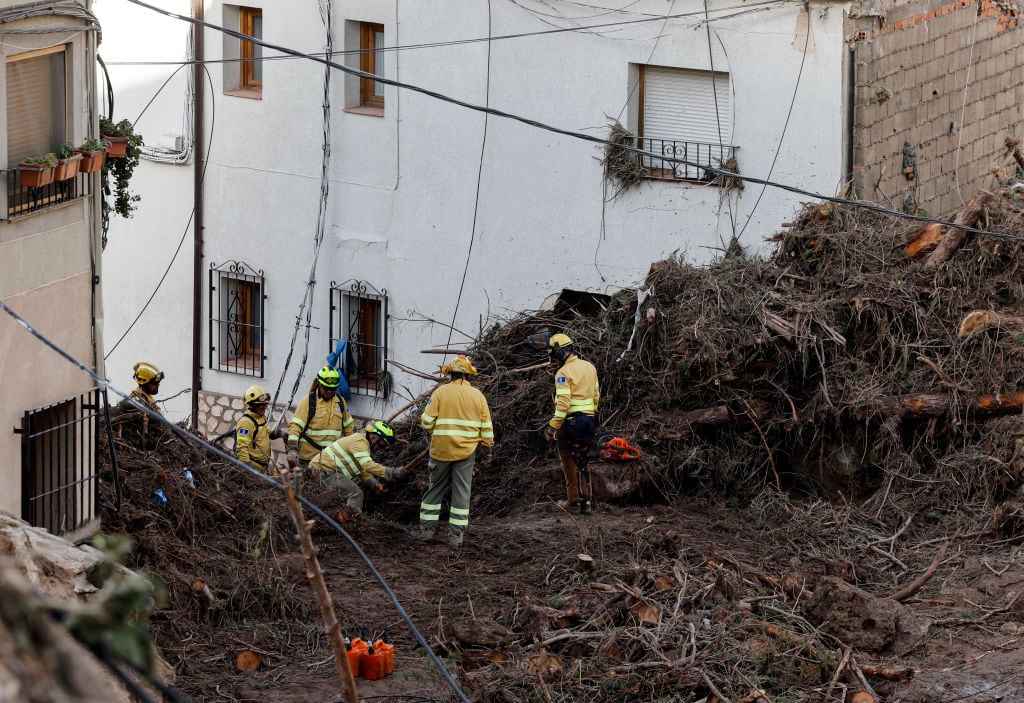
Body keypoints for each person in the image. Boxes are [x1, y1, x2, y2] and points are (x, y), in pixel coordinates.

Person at [418, 355, 494, 547]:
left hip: (441, 449)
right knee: (461, 492)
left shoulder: (440, 392)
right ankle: (456, 538)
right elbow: (486, 428)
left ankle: (427, 532)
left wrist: (432, 432)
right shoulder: (478, 396)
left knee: (435, 489)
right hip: (466, 452)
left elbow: (426, 421)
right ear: (468, 376)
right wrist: (487, 447)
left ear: (449, 374)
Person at [544, 333, 600, 514]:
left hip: (571, 422)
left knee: (569, 461)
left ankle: (574, 502)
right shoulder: (589, 367)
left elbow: (563, 403)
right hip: (589, 420)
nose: (553, 359)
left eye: (554, 354)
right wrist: (590, 414)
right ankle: (588, 501)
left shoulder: (563, 373)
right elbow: (596, 395)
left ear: (560, 352)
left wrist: (553, 425)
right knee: (583, 459)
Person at [309, 420, 404, 521]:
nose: (380, 448)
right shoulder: (360, 442)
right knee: (355, 494)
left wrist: (375, 484)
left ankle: (340, 519)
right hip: (323, 471)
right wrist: (393, 472)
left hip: (326, 471)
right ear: (373, 437)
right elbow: (367, 465)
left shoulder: (361, 443)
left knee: (345, 496)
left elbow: (361, 469)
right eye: (380, 444)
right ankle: (351, 525)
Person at [285, 366, 355, 470]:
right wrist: (292, 448)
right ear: (318, 384)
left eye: (333, 389)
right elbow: (295, 427)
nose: (329, 392)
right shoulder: (308, 401)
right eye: (326, 388)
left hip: (331, 459)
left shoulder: (340, 402)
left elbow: (349, 428)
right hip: (309, 459)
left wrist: (353, 450)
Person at [234, 385, 283, 473]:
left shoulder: (261, 417)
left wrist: (279, 434)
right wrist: (248, 468)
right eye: (261, 406)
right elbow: (241, 448)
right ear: (252, 406)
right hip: (254, 468)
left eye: (265, 406)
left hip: (263, 466)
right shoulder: (246, 422)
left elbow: (264, 431)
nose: (264, 409)